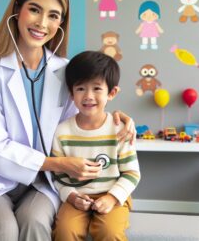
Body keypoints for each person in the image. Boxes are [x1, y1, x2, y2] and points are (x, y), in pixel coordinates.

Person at [0, 0, 135, 241]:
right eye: (35, 9)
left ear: (61, 22)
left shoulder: (66, 72)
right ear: (18, 9)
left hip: (45, 183)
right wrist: (59, 162)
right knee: (3, 229)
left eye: (53, 15)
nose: (42, 23)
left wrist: (117, 119)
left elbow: (86, 116)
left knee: (34, 222)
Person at [52, 51, 140, 241]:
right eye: (81, 88)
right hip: (76, 197)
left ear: (112, 93)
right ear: (71, 92)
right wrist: (71, 196)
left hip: (112, 195)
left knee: (109, 232)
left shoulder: (120, 129)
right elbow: (58, 175)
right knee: (65, 231)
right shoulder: (62, 131)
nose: (88, 96)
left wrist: (112, 198)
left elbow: (132, 173)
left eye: (97, 88)